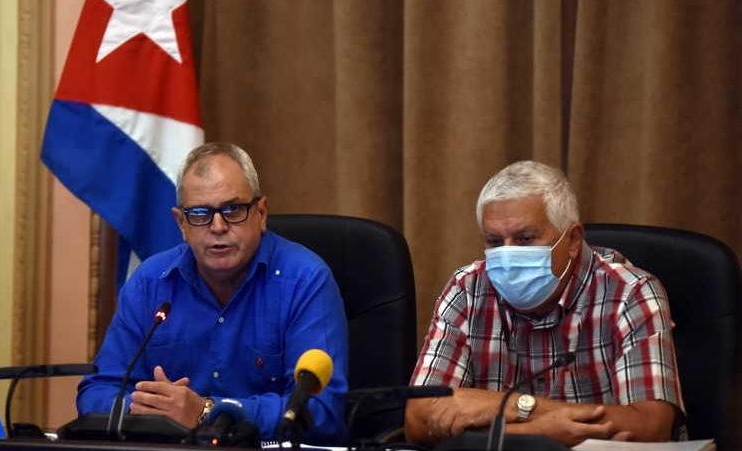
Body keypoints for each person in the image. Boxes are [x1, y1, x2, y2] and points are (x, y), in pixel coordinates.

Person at [77, 143, 349, 443]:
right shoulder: (150, 283)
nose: (218, 226)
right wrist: (151, 409)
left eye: (232, 209)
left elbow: (323, 410)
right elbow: (96, 392)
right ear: (181, 223)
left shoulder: (305, 280)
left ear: (261, 213)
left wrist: (206, 412)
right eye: (199, 213)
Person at [405, 161, 684, 447]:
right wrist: (540, 430)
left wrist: (514, 406)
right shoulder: (467, 288)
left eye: (525, 239)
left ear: (573, 239)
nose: (507, 255)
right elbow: (417, 419)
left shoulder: (630, 292)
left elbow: (652, 426)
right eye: (494, 241)